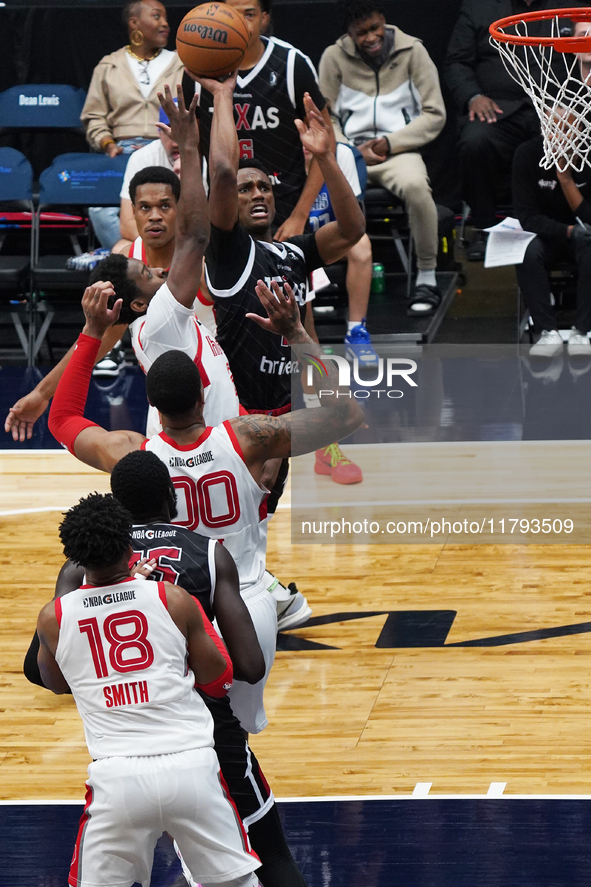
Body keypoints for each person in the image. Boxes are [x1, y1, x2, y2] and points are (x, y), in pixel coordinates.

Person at [26, 449, 308, 887]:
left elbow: (44, 675)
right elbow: (242, 668)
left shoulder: (61, 601)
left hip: (116, 765)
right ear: (171, 495)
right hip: (202, 749)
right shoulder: (186, 581)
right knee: (267, 855)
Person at [201, 74, 366, 486]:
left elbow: (352, 230)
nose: (258, 193)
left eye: (264, 187)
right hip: (237, 414)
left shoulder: (294, 251)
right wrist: (224, 95)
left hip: (283, 411)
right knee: (239, 522)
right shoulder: (228, 251)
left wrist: (326, 159)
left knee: (260, 520)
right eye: (245, 189)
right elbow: (222, 171)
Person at [319, 0, 446, 316]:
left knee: (417, 187)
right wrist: (349, 149)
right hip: (350, 152)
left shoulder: (413, 52)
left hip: (397, 151)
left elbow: (434, 114)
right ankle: (325, 277)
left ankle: (427, 277)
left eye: (375, 28)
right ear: (350, 33)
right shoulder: (333, 57)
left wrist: (390, 143)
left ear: (384, 21)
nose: (371, 37)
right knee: (318, 193)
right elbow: (325, 117)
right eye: (361, 33)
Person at [444, 0, 586, 261]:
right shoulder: (479, 7)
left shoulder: (570, 8)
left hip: (558, 110)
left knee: (576, 142)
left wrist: (575, 106)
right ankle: (486, 228)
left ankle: (571, 226)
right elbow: (456, 62)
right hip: (498, 111)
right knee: (475, 142)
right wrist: (473, 96)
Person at [183, 0, 332, 239]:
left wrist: (300, 215)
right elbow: (195, 147)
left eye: (249, 14)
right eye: (232, 14)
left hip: (282, 207)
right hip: (224, 208)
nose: (240, 23)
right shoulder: (199, 69)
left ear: (264, 18)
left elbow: (327, 143)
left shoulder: (292, 64)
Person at [81, 0, 183, 248]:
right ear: (134, 23)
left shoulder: (182, 63)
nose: (165, 24)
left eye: (166, 18)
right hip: (122, 151)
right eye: (157, 17)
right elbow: (93, 116)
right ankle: (138, 260)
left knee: (173, 205)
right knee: (99, 209)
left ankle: (163, 259)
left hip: (170, 149)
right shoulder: (109, 66)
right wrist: (107, 143)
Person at [513, 117, 591, 357]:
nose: (560, 135)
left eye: (567, 128)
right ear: (542, 129)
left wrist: (565, 179)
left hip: (584, 237)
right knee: (526, 250)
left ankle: (582, 331)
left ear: (580, 128)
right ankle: (548, 331)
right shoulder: (527, 154)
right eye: (552, 128)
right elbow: (527, 217)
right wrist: (566, 231)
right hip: (546, 236)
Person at [306, 141, 376, 367]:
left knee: (361, 243)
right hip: (293, 238)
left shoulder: (342, 153)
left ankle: (356, 332)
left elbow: (352, 216)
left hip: (330, 236)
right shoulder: (281, 156)